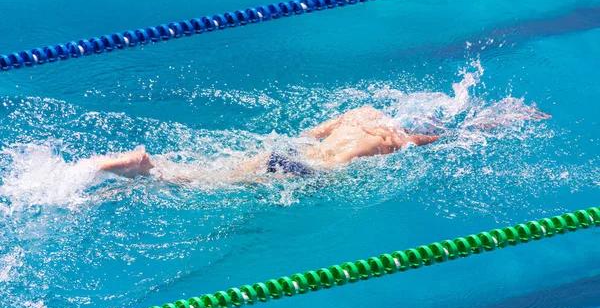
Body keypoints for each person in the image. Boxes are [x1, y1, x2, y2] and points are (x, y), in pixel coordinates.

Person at [94, 104, 549, 183]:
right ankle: (147, 170)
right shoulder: (402, 139)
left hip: (294, 155)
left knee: (219, 171)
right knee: (212, 186)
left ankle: (149, 170)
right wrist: (500, 120)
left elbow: (306, 134)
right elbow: (459, 138)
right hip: (316, 173)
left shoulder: (362, 112)